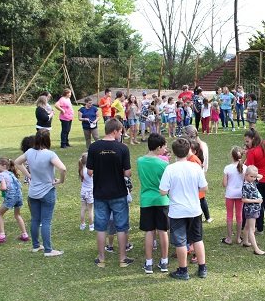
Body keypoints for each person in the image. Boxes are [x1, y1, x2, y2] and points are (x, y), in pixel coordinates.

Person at [159, 138, 209, 280]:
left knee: (180, 241)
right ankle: (202, 268)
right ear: (188, 151)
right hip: (194, 209)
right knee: (197, 239)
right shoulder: (195, 167)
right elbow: (204, 187)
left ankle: (183, 270)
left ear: (174, 152)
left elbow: (163, 191)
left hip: (177, 211)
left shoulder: (170, 169)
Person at [87, 118, 133, 268]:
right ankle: (122, 258)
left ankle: (101, 259)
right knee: (121, 226)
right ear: (114, 131)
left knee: (101, 227)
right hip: (118, 192)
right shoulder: (122, 148)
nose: (121, 134)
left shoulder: (94, 147)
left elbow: (89, 171)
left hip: (100, 192)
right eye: (120, 131)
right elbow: (127, 173)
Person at [15, 129, 67, 256]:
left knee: (35, 220)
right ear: (47, 140)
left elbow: (17, 162)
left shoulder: (29, 152)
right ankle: (48, 250)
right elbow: (63, 168)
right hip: (47, 191)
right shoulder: (50, 154)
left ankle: (36, 245)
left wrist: (29, 175)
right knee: (46, 221)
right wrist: (60, 180)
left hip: (33, 192)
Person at [138, 133, 170, 274]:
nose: (165, 149)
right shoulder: (164, 164)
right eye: (164, 147)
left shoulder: (140, 161)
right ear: (158, 148)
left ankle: (149, 262)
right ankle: (164, 261)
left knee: (149, 231)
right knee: (163, 231)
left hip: (146, 200)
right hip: (162, 200)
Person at [0, 158, 29, 243]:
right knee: (17, 215)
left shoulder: (1, 175)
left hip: (11, 197)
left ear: (4, 166)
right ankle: (25, 234)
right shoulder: (11, 173)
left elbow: (4, 187)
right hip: (18, 196)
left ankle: (2, 236)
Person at [222, 146, 246, 245]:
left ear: (232, 156)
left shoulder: (227, 168)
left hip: (230, 194)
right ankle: (238, 238)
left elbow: (224, 184)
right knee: (239, 215)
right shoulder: (245, 167)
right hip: (241, 195)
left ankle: (229, 238)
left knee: (229, 215)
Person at [241, 165, 265, 256]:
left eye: (254, 177)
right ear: (246, 175)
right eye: (251, 176)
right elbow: (243, 199)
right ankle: (256, 249)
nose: (253, 178)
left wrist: (254, 174)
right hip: (250, 209)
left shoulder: (253, 182)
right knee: (252, 229)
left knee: (247, 226)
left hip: (255, 208)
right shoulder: (246, 185)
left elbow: (261, 176)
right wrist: (257, 200)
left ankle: (245, 241)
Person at [188, 140, 212, 223]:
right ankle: (206, 217)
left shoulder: (193, 159)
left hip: (197, 185)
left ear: (194, 151)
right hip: (197, 186)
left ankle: (206, 217)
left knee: (201, 200)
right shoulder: (194, 158)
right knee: (201, 200)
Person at [78, 153, 94, 231]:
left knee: (83, 208)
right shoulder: (90, 171)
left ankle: (82, 225)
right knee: (90, 209)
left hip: (83, 191)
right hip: (90, 191)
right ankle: (91, 226)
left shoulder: (81, 170)